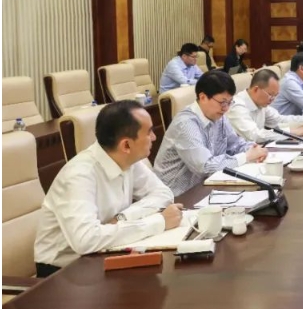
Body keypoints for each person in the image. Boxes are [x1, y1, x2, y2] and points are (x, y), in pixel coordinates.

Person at [34, 100, 178, 277]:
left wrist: (123, 218)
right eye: (149, 132)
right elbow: (86, 240)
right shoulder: (79, 175)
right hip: (63, 271)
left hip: (104, 255)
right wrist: (158, 222)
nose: (154, 137)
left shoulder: (128, 159)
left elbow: (163, 193)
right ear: (126, 145)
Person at [154, 71, 267, 196]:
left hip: (206, 186)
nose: (226, 108)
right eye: (223, 102)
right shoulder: (186, 124)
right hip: (177, 196)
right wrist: (246, 156)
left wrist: (255, 150)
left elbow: (235, 145)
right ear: (203, 97)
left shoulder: (219, 116)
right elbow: (206, 167)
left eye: (229, 102)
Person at [226, 69, 303, 143]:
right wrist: (291, 132)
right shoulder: (237, 107)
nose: (273, 99)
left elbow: (279, 120)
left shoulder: (261, 104)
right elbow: (255, 136)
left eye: (275, 95)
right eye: (270, 95)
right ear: (256, 89)